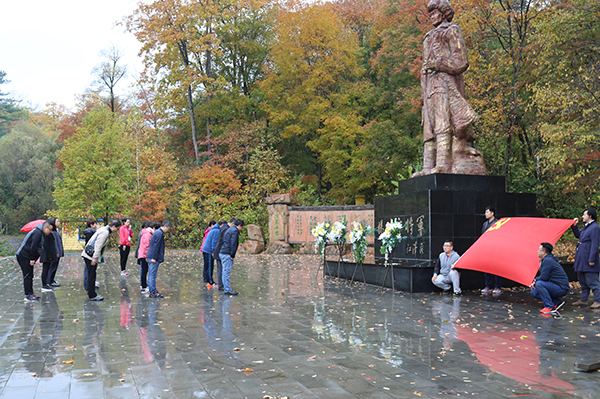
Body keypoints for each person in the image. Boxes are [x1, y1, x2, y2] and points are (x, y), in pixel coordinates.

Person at [413, 0, 485, 176]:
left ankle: (443, 165)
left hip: (445, 84)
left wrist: (439, 64)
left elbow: (462, 61)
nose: (431, 16)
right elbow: (424, 67)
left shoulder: (451, 30)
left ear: (443, 12)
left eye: (435, 12)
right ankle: (427, 167)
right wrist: (422, 95)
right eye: (430, 13)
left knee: (443, 123)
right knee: (429, 128)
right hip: (429, 86)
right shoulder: (428, 37)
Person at [81, 220, 122, 301]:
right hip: (91, 256)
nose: (116, 231)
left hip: (88, 254)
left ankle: (91, 293)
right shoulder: (105, 232)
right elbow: (98, 245)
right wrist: (95, 258)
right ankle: (92, 295)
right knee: (91, 275)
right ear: (113, 226)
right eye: (117, 229)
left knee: (91, 274)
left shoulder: (103, 229)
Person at [16, 221, 53, 301]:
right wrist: (32, 258)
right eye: (50, 230)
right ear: (45, 228)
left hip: (27, 255)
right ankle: (28, 294)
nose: (50, 232)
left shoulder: (41, 233)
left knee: (30, 274)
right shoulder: (37, 233)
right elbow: (33, 246)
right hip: (24, 256)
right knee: (27, 275)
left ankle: (31, 292)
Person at [571, 208, 600, 308]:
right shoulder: (587, 226)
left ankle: (598, 300)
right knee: (582, 281)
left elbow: (595, 244)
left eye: (584, 214)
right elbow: (578, 236)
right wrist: (574, 226)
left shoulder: (595, 227)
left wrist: (592, 259)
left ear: (590, 216)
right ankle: (583, 300)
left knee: (592, 281)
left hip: (588, 258)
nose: (583, 216)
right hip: (582, 258)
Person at [530, 243, 569, 314]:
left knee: (539, 284)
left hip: (561, 288)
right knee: (534, 292)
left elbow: (544, 277)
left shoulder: (548, 261)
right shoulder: (547, 259)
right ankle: (556, 302)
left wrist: (535, 281)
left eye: (539, 250)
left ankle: (549, 306)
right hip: (555, 285)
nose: (537, 251)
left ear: (544, 252)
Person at [219, 219, 244, 296]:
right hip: (227, 254)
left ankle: (226, 288)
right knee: (226, 273)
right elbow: (233, 244)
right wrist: (232, 255)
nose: (241, 229)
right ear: (239, 226)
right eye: (242, 227)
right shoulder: (235, 231)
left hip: (222, 252)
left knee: (224, 272)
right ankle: (227, 290)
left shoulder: (230, 229)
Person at [146, 221, 172, 299]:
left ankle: (152, 290)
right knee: (152, 275)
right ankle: (153, 291)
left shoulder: (158, 232)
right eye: (168, 229)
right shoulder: (159, 233)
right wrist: (154, 257)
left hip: (153, 257)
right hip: (153, 257)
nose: (168, 231)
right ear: (165, 226)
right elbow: (155, 246)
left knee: (152, 274)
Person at [481, 206, 502, 295]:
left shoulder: (498, 223)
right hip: (487, 249)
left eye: (487, 212)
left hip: (496, 248)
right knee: (487, 268)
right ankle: (488, 286)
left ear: (492, 213)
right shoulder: (485, 224)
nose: (486, 214)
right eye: (485, 212)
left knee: (497, 268)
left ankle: (497, 286)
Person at [214, 218, 236, 291]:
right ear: (233, 223)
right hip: (221, 251)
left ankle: (222, 285)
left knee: (221, 269)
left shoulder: (224, 228)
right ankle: (222, 285)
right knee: (222, 270)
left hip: (219, 251)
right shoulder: (226, 229)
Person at [138, 221, 158, 295]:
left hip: (143, 254)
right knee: (144, 270)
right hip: (144, 255)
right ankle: (143, 286)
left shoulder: (147, 233)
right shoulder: (148, 234)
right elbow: (147, 246)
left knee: (144, 270)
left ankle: (144, 284)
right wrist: (147, 256)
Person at [40, 219, 59, 292]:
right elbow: (47, 246)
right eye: (50, 229)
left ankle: (46, 284)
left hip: (49, 255)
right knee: (45, 270)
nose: (50, 231)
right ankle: (44, 285)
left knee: (47, 269)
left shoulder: (49, 234)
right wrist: (50, 256)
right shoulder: (45, 235)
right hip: (47, 255)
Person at [82, 218, 100, 293]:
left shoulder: (90, 232)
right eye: (95, 224)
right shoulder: (91, 233)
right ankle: (88, 287)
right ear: (91, 225)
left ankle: (89, 286)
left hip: (89, 254)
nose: (96, 225)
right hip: (90, 254)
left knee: (88, 270)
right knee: (88, 271)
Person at [46, 218, 64, 288]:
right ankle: (50, 281)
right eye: (57, 221)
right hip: (55, 253)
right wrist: (57, 252)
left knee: (54, 267)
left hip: (57, 252)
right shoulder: (52, 232)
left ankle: (51, 280)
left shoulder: (56, 231)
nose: (59, 223)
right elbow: (54, 244)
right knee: (52, 267)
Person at [203, 220, 221, 288]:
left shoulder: (213, 229)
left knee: (207, 266)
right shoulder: (217, 231)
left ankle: (206, 278)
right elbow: (214, 242)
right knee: (210, 266)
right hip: (209, 251)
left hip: (205, 250)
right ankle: (210, 282)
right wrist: (213, 252)